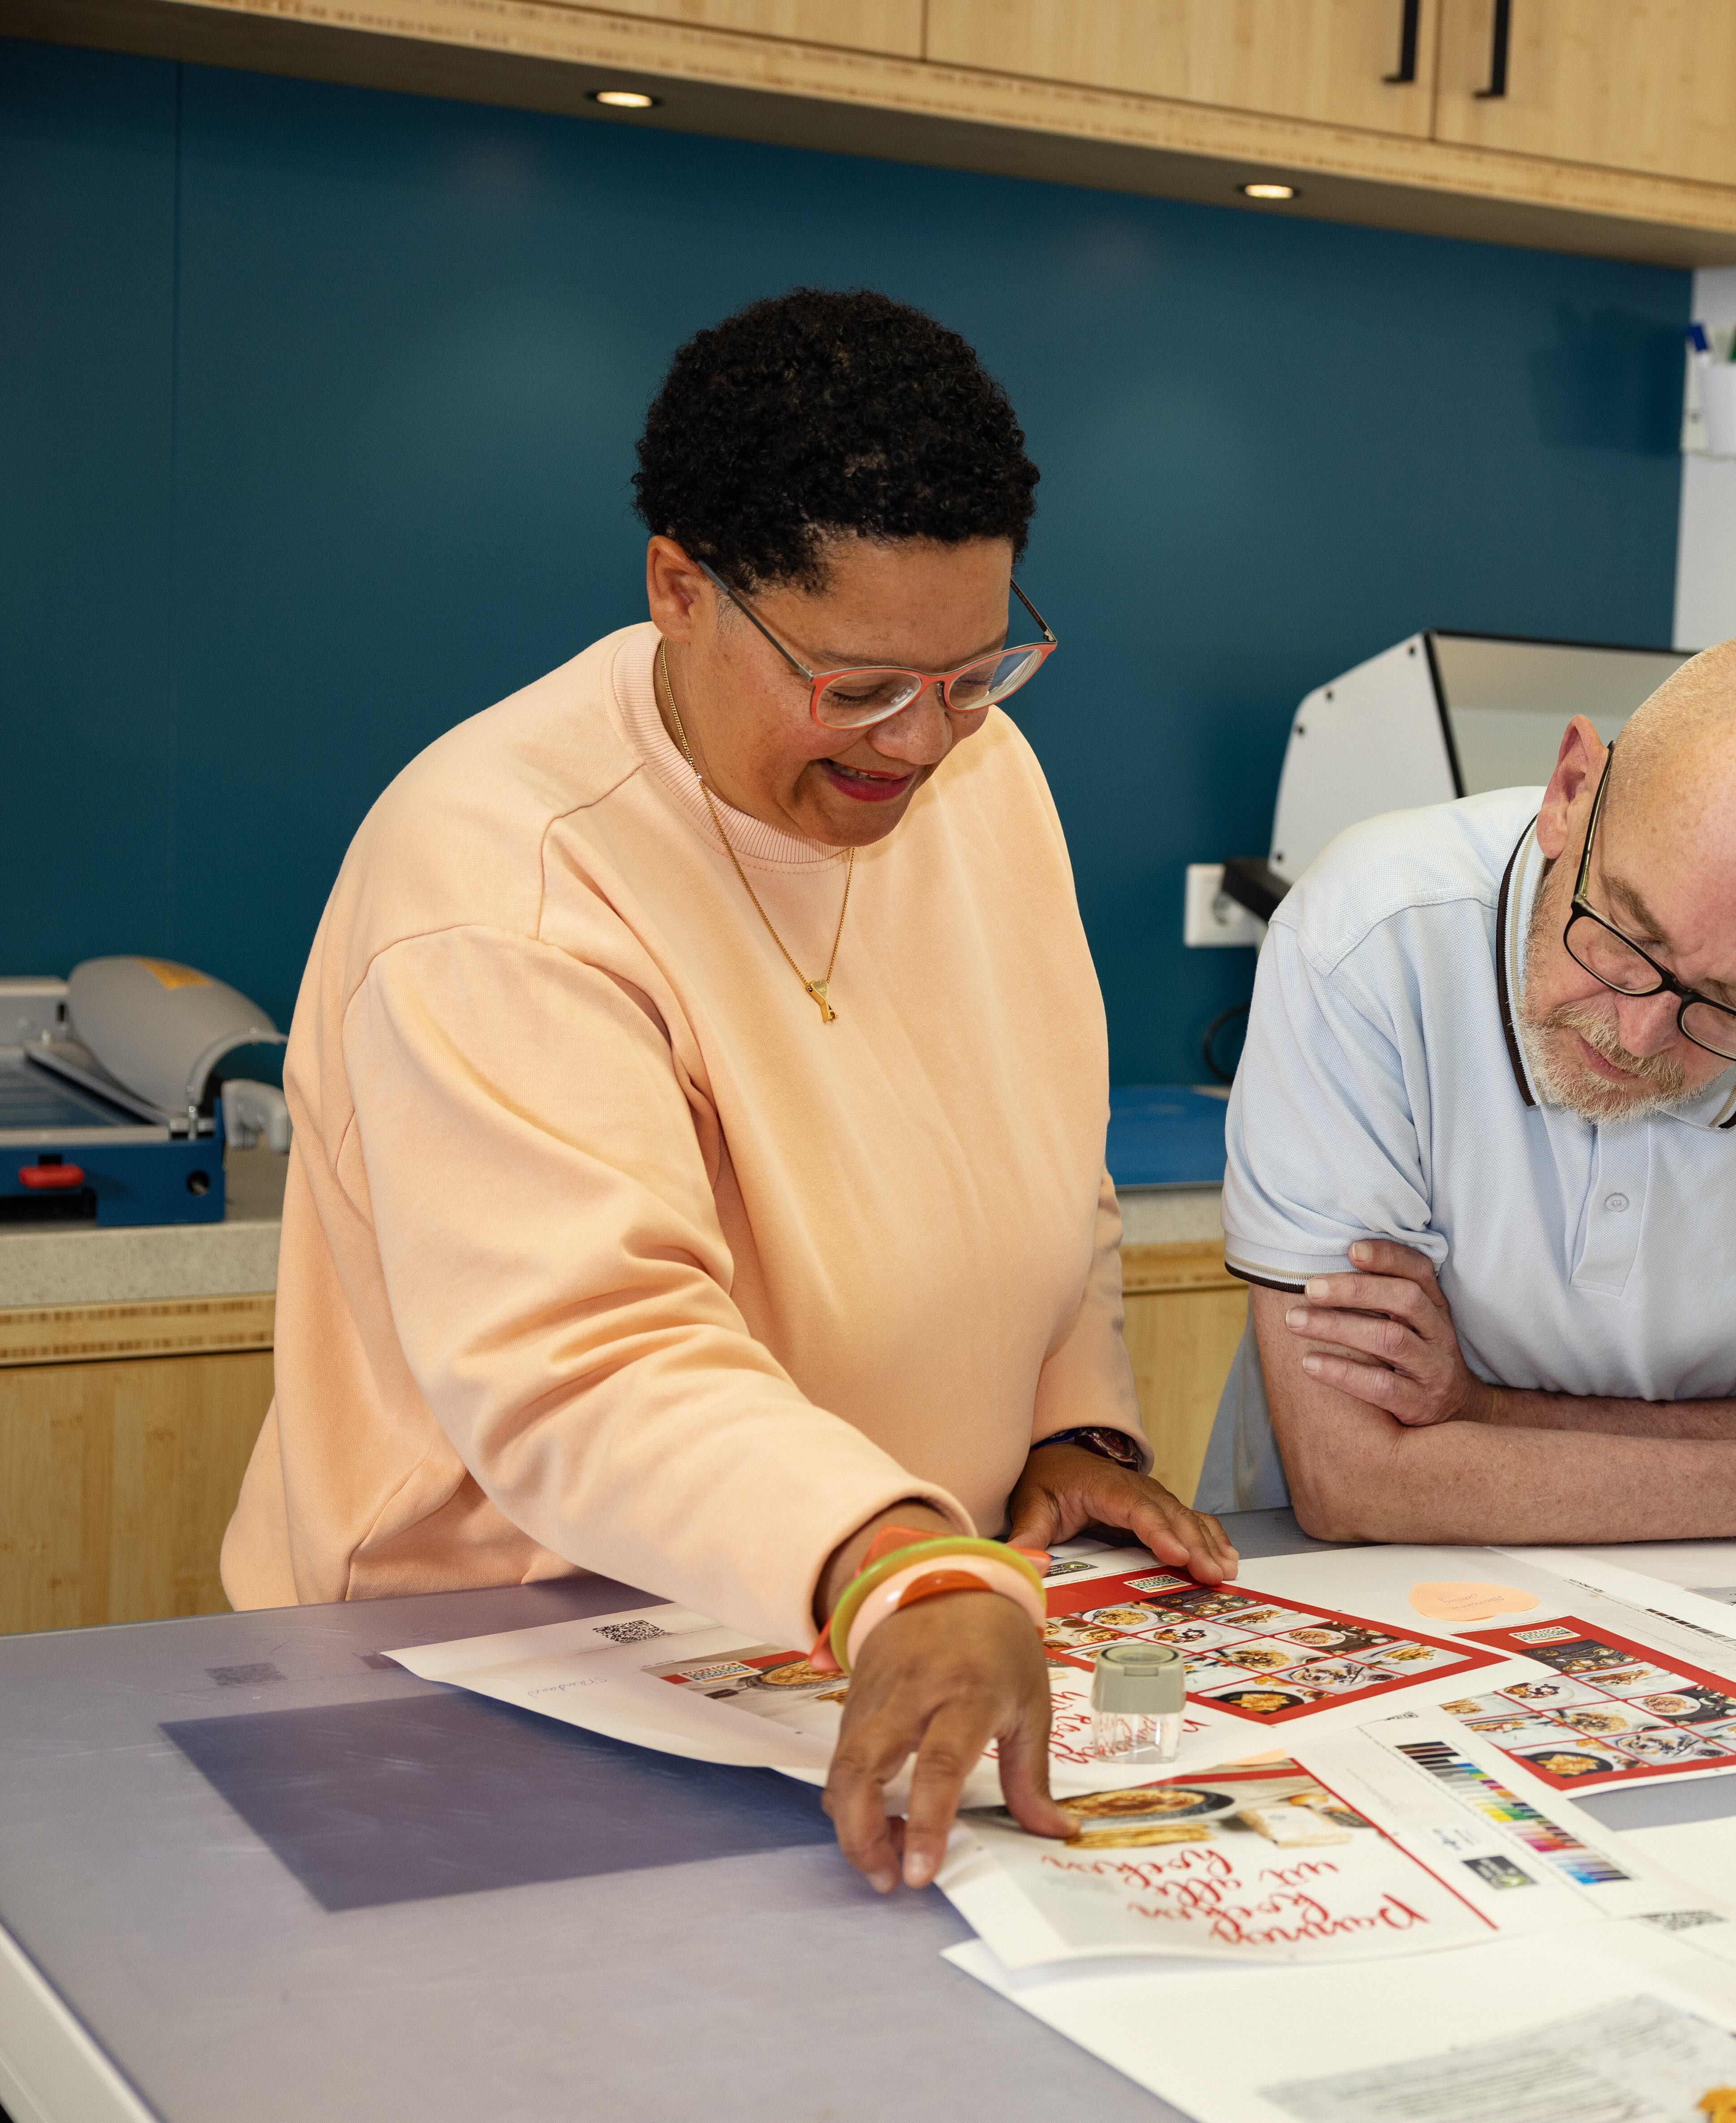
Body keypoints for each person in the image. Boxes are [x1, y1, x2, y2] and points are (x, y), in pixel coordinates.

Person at [223, 288, 1233, 1893]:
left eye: (976, 674)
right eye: (857, 688)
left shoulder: (983, 781)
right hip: (509, 1672)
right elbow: (594, 1364)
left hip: (888, 1618)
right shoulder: (503, 877)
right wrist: (902, 1566)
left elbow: (1049, 1159)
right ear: (680, 588)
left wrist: (1071, 1420)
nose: (918, 744)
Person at [1207, 633, 1736, 1540]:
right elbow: (1355, 1480)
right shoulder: (1365, 934)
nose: (1639, 1034)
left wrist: (1478, 1413)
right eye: (1625, 939)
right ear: (1570, 790)